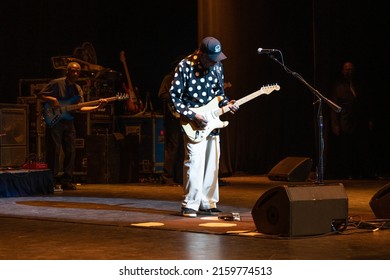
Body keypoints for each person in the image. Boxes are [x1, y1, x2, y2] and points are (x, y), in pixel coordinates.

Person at [169, 36, 239, 217]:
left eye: (216, 59)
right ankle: (190, 204)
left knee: (212, 163)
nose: (213, 63)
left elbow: (219, 93)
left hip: (213, 120)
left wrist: (227, 103)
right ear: (200, 54)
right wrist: (194, 115)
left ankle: (208, 202)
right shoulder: (184, 66)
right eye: (210, 59)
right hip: (193, 121)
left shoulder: (217, 66)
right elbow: (174, 98)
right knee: (194, 162)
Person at [37, 62, 107, 190]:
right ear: (67, 71)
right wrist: (52, 99)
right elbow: (40, 95)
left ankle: (66, 180)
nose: (75, 73)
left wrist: (97, 107)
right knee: (54, 150)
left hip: (68, 122)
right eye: (72, 71)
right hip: (55, 121)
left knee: (71, 150)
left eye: (77, 71)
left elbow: (81, 108)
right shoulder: (57, 83)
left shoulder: (78, 89)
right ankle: (50, 180)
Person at [330, 61, 376, 179]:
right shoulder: (338, 86)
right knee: (346, 150)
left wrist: (370, 118)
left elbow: (367, 102)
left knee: (363, 149)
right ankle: (347, 173)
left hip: (360, 121)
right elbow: (334, 106)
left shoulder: (360, 83)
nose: (349, 71)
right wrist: (335, 124)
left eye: (351, 69)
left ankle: (366, 173)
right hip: (346, 122)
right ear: (342, 71)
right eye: (346, 69)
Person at [158, 57, 185, 185]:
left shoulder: (183, 79)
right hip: (172, 117)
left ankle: (179, 177)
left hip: (182, 116)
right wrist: (176, 96)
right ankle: (166, 176)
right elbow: (162, 94)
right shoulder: (168, 78)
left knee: (181, 147)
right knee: (172, 146)